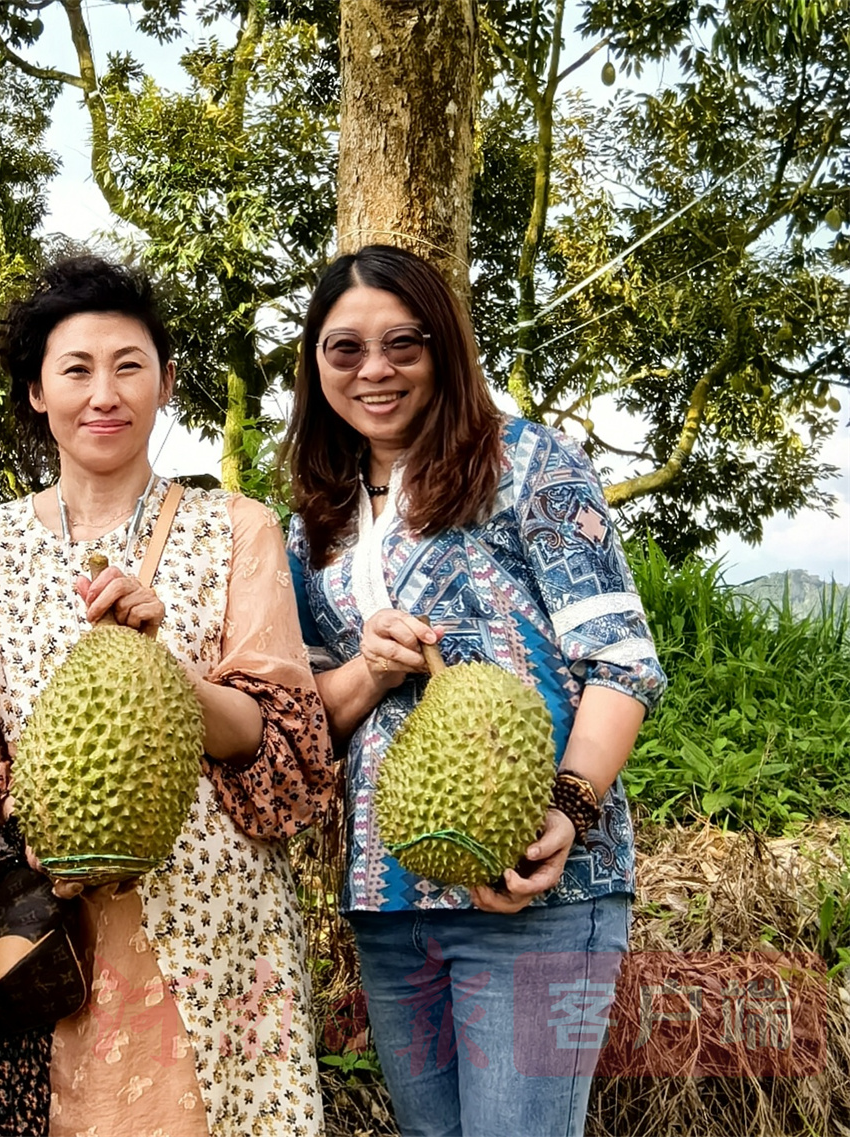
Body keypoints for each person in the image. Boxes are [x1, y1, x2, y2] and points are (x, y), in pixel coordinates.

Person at [0, 255, 338, 1137]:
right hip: (58, 935)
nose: (104, 393)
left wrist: (168, 672)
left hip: (216, 920)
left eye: (129, 365)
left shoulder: (236, 528)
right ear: (37, 390)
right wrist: (44, 832)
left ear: (166, 381)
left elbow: (281, 744)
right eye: (76, 369)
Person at [283, 244, 667, 1137]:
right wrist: (370, 668)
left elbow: (620, 661)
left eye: (402, 343)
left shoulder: (526, 463)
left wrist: (570, 806)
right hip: (389, 897)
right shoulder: (315, 520)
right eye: (346, 349)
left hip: (540, 885)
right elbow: (309, 717)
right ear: (317, 364)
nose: (375, 370)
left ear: (444, 347)